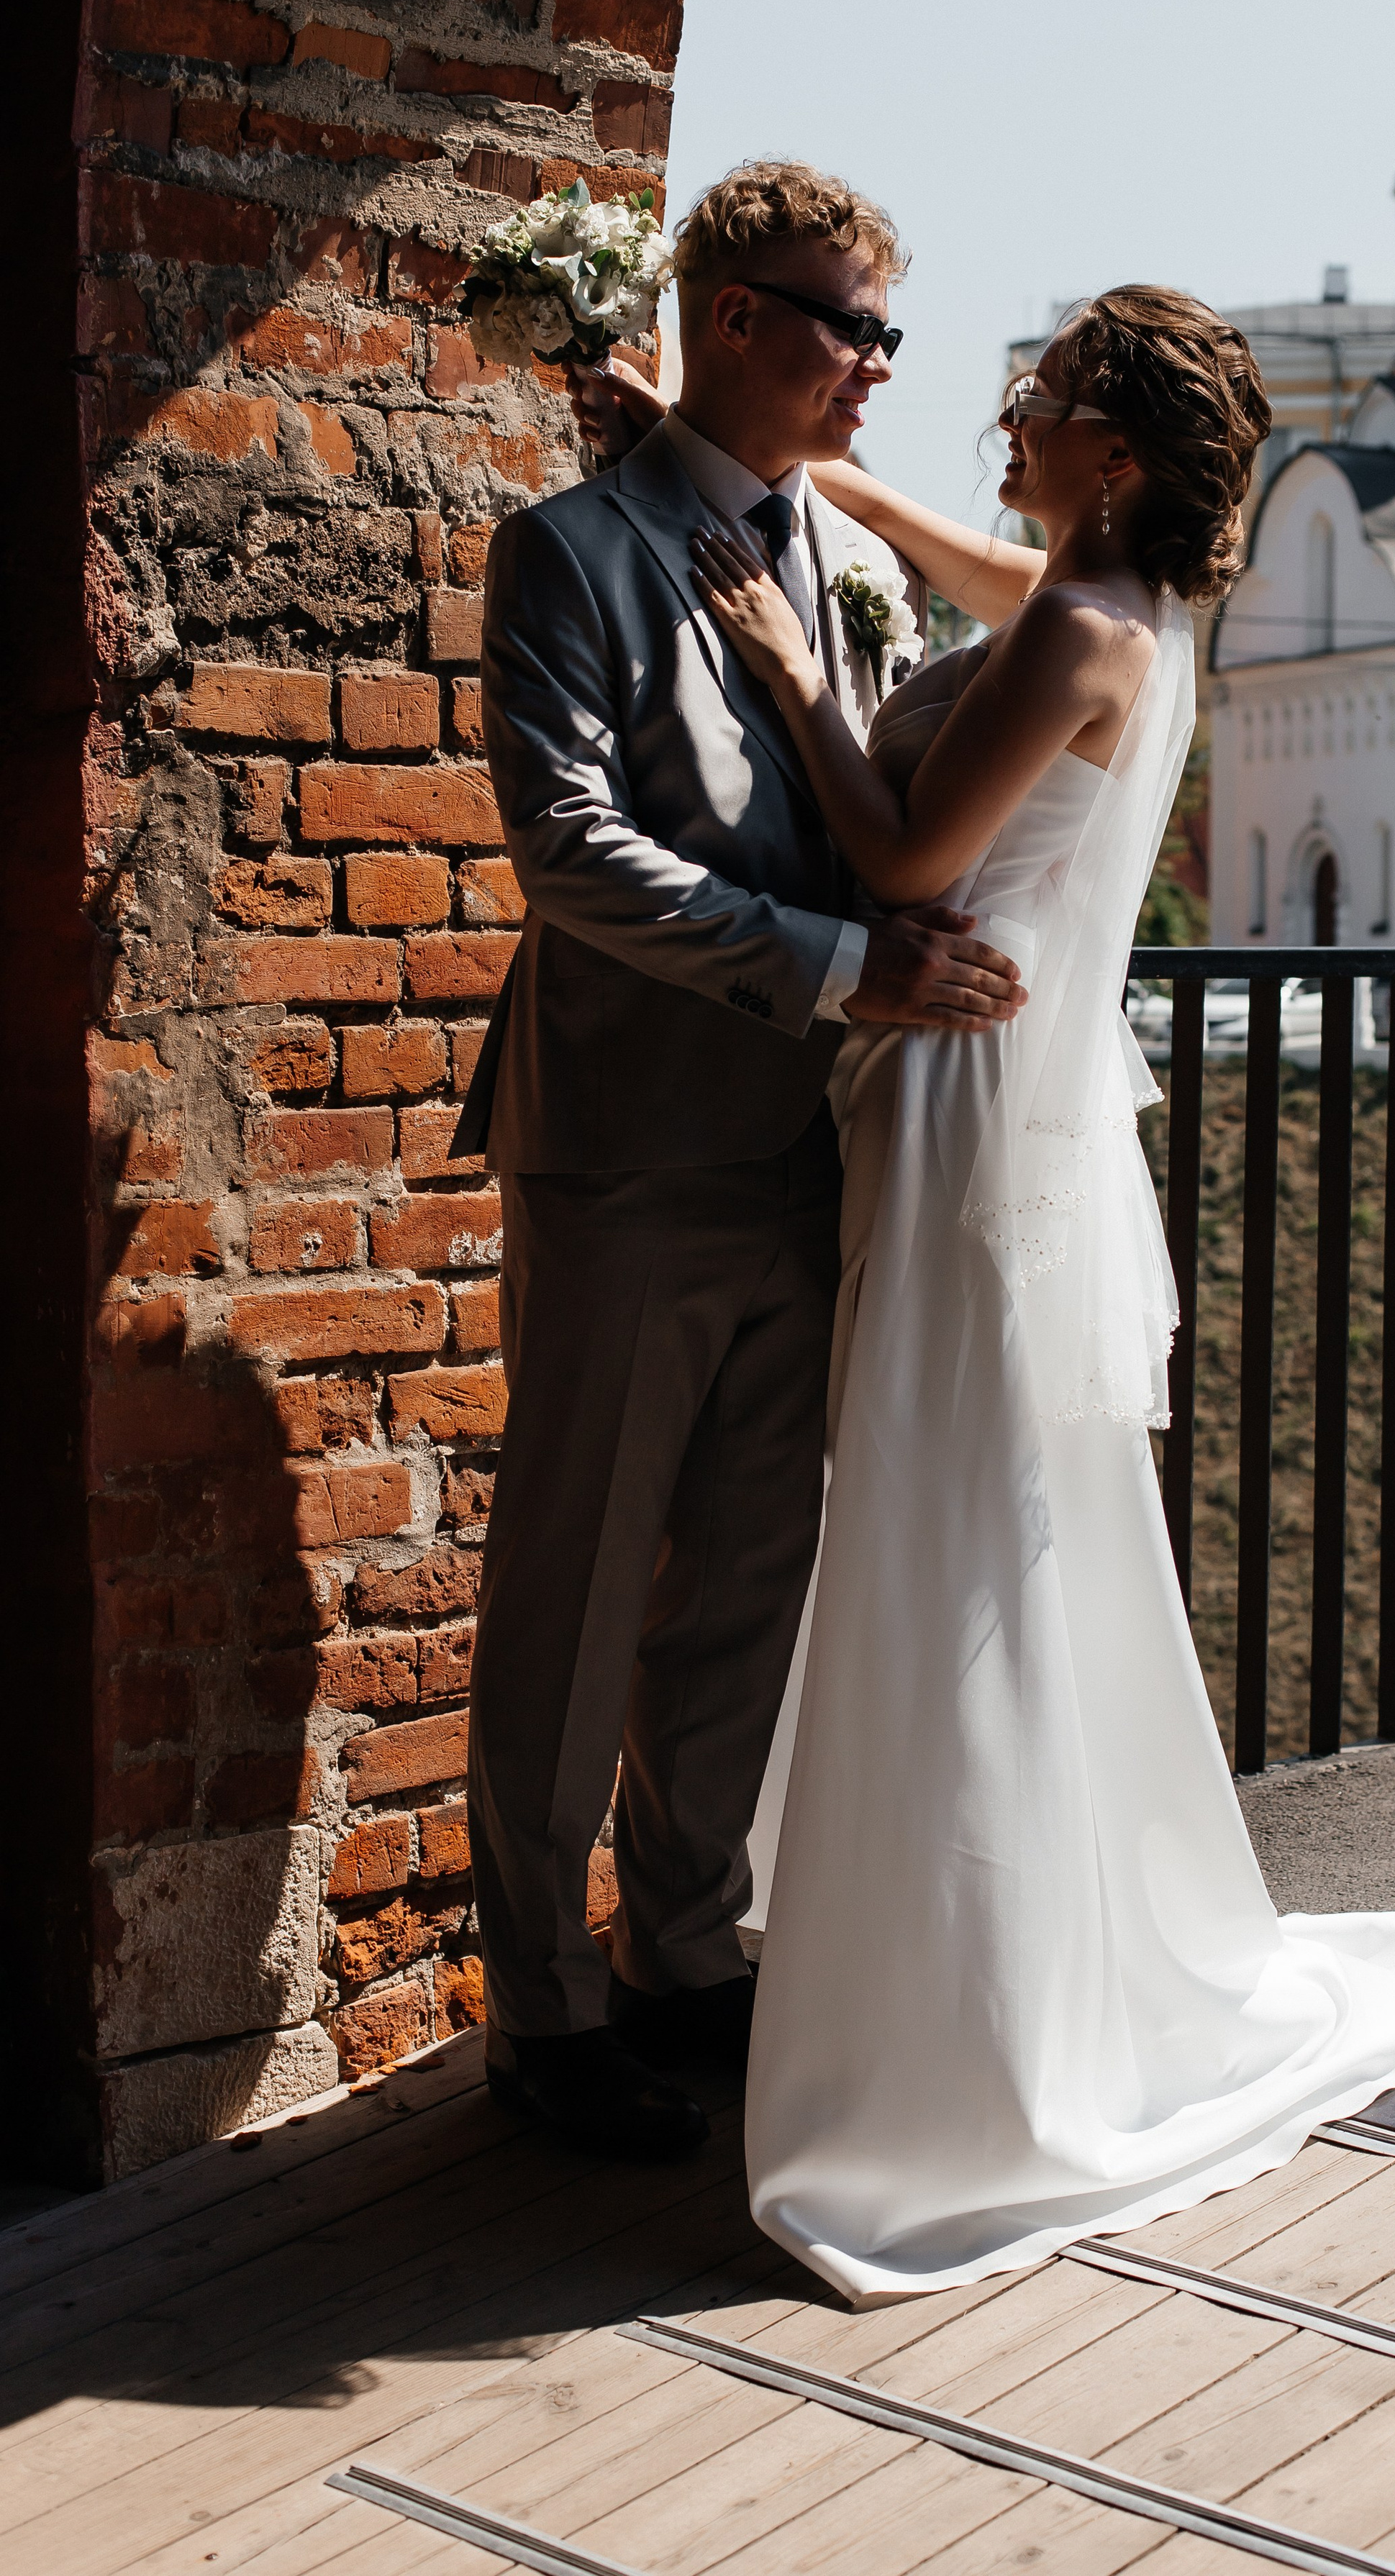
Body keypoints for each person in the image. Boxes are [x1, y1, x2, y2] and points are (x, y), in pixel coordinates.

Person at [687, 286, 1395, 2303]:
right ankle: (1014, 1965)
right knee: (995, 1522)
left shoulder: (1082, 633)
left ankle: (969, 2041)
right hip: (1010, 1113)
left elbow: (906, 854)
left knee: (940, 1511)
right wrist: (822, 472)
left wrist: (792, 666)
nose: (1018, 412)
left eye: (1054, 400)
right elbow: (988, 567)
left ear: (1126, 455)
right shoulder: (1129, 617)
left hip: (968, 1096)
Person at [453, 160, 1027, 2165]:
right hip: (623, 1156)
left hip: (813, 1161)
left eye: (888, 328)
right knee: (580, 1580)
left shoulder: (829, 562)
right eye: (843, 321)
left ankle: (685, 1948)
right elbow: (568, 853)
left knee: (742, 1586)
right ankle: (539, 2008)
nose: (878, 362)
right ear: (728, 316)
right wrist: (850, 965)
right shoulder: (571, 555)